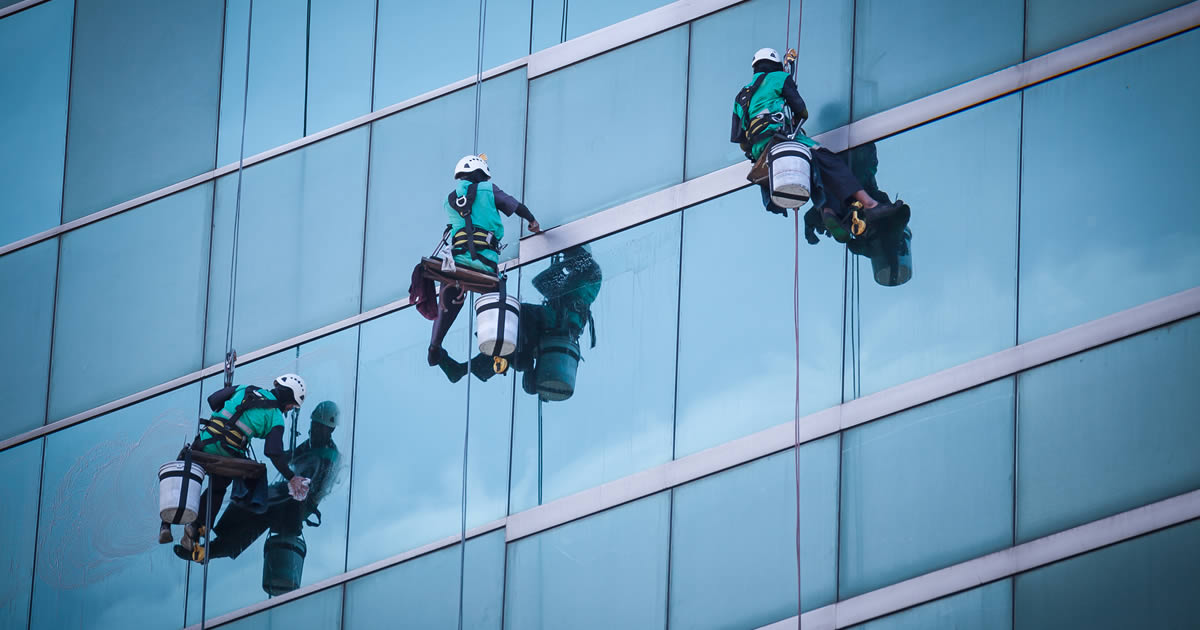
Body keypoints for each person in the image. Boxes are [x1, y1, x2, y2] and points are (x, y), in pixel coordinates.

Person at [731, 47, 905, 237]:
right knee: (831, 163)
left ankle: (829, 211)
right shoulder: (779, 78)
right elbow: (801, 110)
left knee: (813, 170)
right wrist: (795, 119)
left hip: (759, 149)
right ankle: (871, 205)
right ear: (776, 65)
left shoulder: (741, 96)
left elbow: (740, 140)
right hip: (779, 137)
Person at [163, 374, 311, 562]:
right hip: (227, 453)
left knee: (189, 479)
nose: (290, 409)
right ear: (289, 398)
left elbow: (213, 400)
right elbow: (273, 452)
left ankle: (166, 524)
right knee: (217, 489)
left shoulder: (245, 388)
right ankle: (197, 526)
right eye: (292, 405)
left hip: (204, 443)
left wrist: (229, 411)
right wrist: (291, 477)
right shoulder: (276, 418)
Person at [434, 245, 601, 401]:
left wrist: (557, 266)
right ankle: (478, 367)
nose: (565, 257)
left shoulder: (588, 271)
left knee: (514, 318)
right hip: (560, 323)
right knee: (512, 327)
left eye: (567, 254)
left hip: (559, 322)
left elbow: (542, 283)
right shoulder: (588, 272)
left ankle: (518, 362)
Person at [427, 155, 542, 367]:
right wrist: (532, 221)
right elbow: (516, 206)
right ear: (481, 173)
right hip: (485, 266)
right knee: (498, 300)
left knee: (450, 296)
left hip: (456, 264)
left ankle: (435, 344)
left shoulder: (449, 199)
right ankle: (500, 346)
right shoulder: (488, 189)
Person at [205, 401, 342, 564]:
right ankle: (221, 541)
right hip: (291, 496)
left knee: (259, 504)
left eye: (320, 427)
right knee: (252, 498)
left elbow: (315, 486)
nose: (314, 430)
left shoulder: (329, 457)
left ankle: (221, 546)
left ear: (331, 429)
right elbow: (290, 456)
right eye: (314, 425)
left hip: (298, 503)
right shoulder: (311, 445)